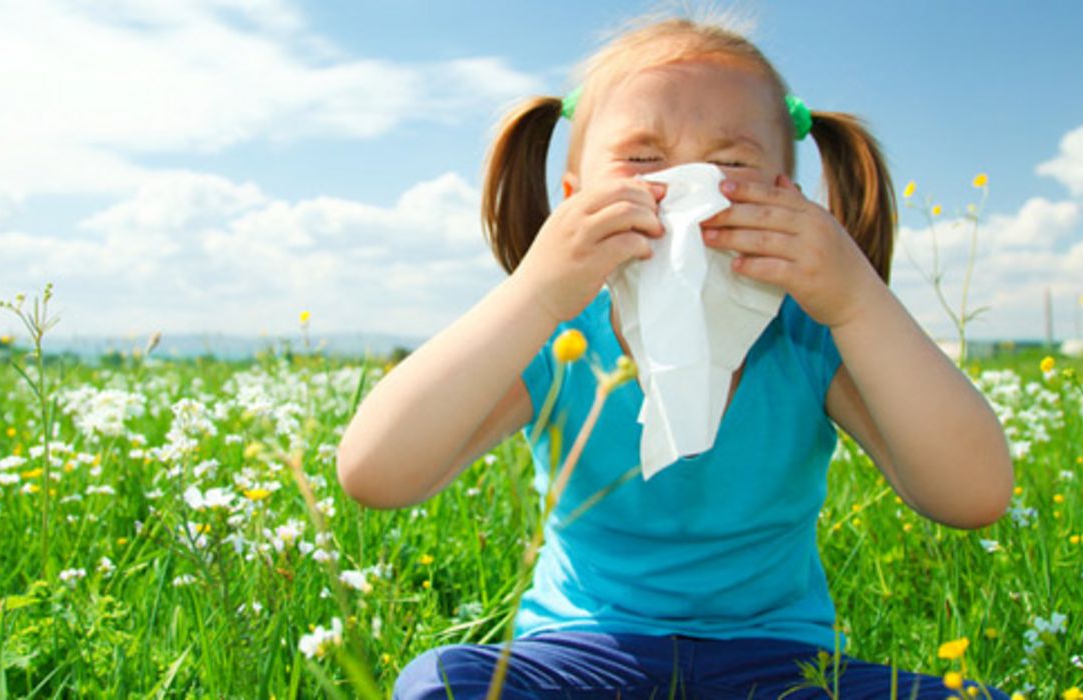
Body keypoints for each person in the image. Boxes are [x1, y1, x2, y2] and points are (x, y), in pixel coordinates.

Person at [338, 13, 1014, 700]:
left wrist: (855, 300)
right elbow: (375, 473)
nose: (686, 186)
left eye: (729, 164)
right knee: (442, 684)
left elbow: (972, 496)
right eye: (641, 159)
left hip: (779, 664)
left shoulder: (810, 337)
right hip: (581, 652)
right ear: (572, 200)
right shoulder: (560, 340)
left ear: (787, 199)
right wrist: (536, 292)